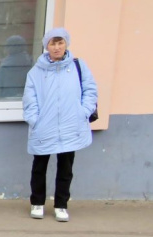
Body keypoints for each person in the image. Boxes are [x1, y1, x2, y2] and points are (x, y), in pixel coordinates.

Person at [23, 27, 97, 222]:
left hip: (70, 125)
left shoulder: (78, 66)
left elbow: (90, 90)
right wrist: (34, 120)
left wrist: (82, 113)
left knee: (66, 168)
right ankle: (37, 202)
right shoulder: (36, 72)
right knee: (39, 167)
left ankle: (61, 205)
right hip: (44, 126)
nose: (56, 47)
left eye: (60, 43)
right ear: (46, 46)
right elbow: (30, 99)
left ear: (66, 44)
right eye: (52, 43)